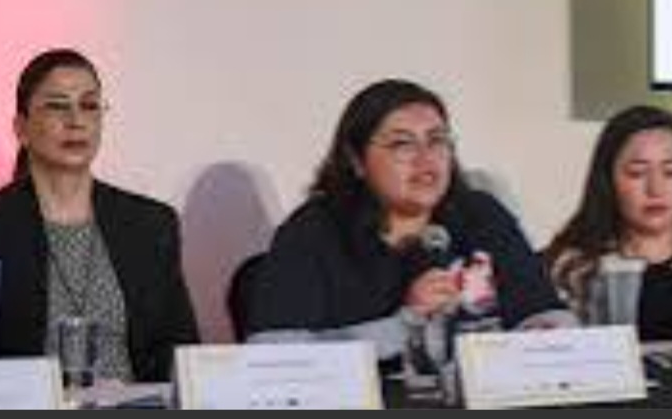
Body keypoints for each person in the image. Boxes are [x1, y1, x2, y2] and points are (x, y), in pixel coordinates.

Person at [240, 79, 573, 362]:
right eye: (402, 144)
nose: (425, 160)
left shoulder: (480, 215)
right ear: (356, 161)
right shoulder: (315, 230)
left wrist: (548, 335)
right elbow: (274, 355)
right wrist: (403, 325)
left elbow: (545, 312)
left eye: (437, 141)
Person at [0, 49, 199, 383]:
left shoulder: (150, 224)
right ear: (21, 127)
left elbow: (183, 354)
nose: (76, 120)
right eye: (57, 105)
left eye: (89, 106)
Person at [544, 106, 672, 342]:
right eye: (636, 173)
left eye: (671, 172)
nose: (655, 189)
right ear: (608, 182)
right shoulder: (571, 268)